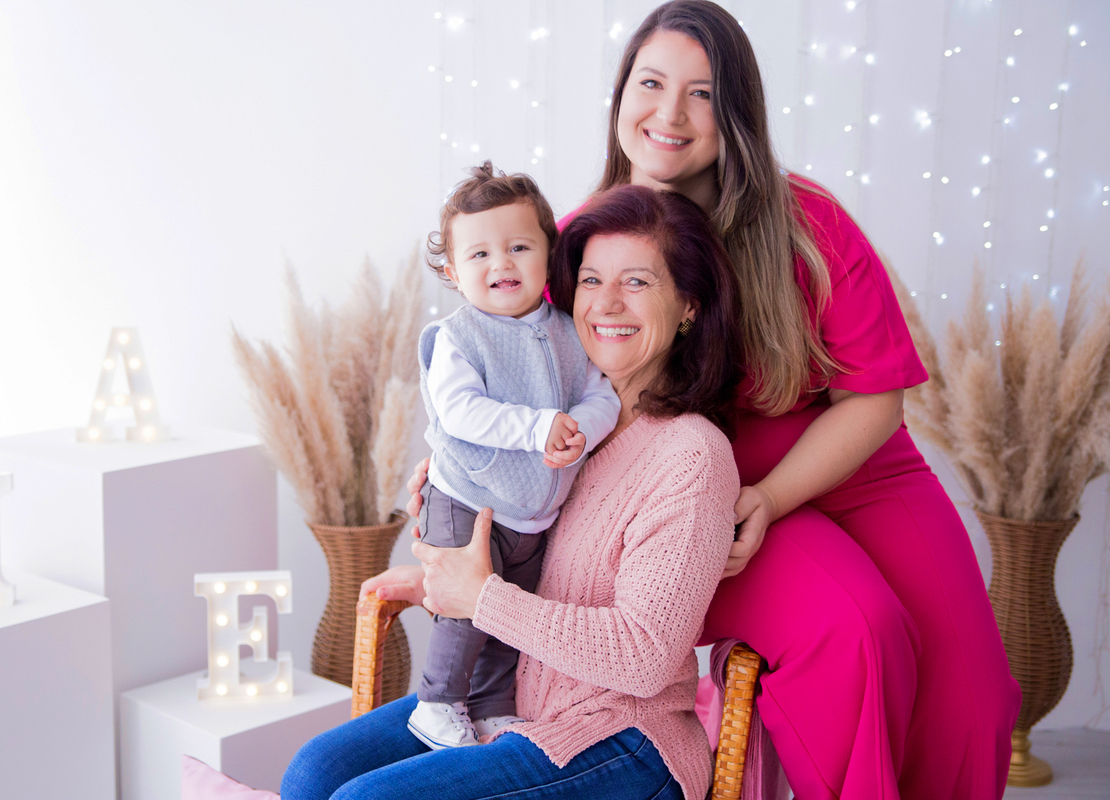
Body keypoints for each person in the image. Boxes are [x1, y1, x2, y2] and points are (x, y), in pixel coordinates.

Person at [384, 2, 1019, 798]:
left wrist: (771, 497)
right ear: (621, 96)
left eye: (703, 93)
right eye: (651, 83)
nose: (669, 114)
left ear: (737, 113)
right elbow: (498, 363)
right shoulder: (580, 238)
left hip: (850, 473)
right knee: (855, 636)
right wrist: (452, 467)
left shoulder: (805, 224)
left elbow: (875, 403)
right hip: (699, 494)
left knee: (975, 697)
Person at [281, 184, 744, 800]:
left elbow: (645, 657)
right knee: (313, 773)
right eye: (589, 281)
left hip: (623, 737)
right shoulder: (550, 422)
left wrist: (481, 597)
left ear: (688, 304)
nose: (606, 304)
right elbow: (519, 550)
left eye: (637, 282)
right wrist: (451, 532)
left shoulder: (691, 454)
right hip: (509, 695)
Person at [409, 161, 620, 749]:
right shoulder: (458, 336)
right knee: (463, 609)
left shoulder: (570, 330)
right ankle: (437, 701)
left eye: (518, 247)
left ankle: (493, 706)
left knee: (507, 615)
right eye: (479, 255)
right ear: (452, 271)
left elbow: (600, 394)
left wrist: (581, 429)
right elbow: (459, 412)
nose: (500, 264)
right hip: (467, 497)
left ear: (550, 254)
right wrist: (538, 428)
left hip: (533, 514)